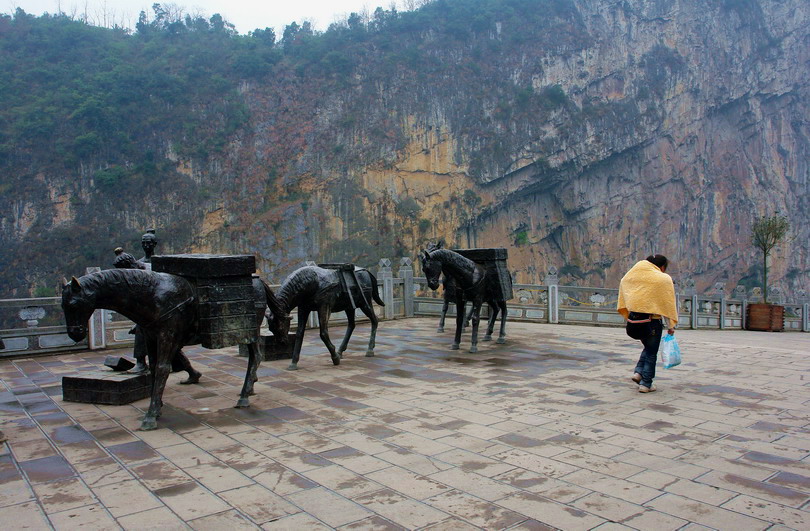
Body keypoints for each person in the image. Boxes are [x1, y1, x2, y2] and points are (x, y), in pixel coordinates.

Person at [112, 244, 201, 384]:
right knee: (172, 348)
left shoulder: (147, 272)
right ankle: (191, 372)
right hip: (151, 318)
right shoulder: (135, 275)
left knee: (170, 347)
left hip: (163, 315)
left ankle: (150, 368)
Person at [617, 254, 678, 393]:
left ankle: (638, 372)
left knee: (648, 348)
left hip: (634, 321)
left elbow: (623, 283)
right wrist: (671, 326)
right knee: (651, 352)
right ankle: (646, 383)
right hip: (652, 322)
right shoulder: (663, 279)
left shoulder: (631, 276)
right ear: (661, 267)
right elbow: (667, 304)